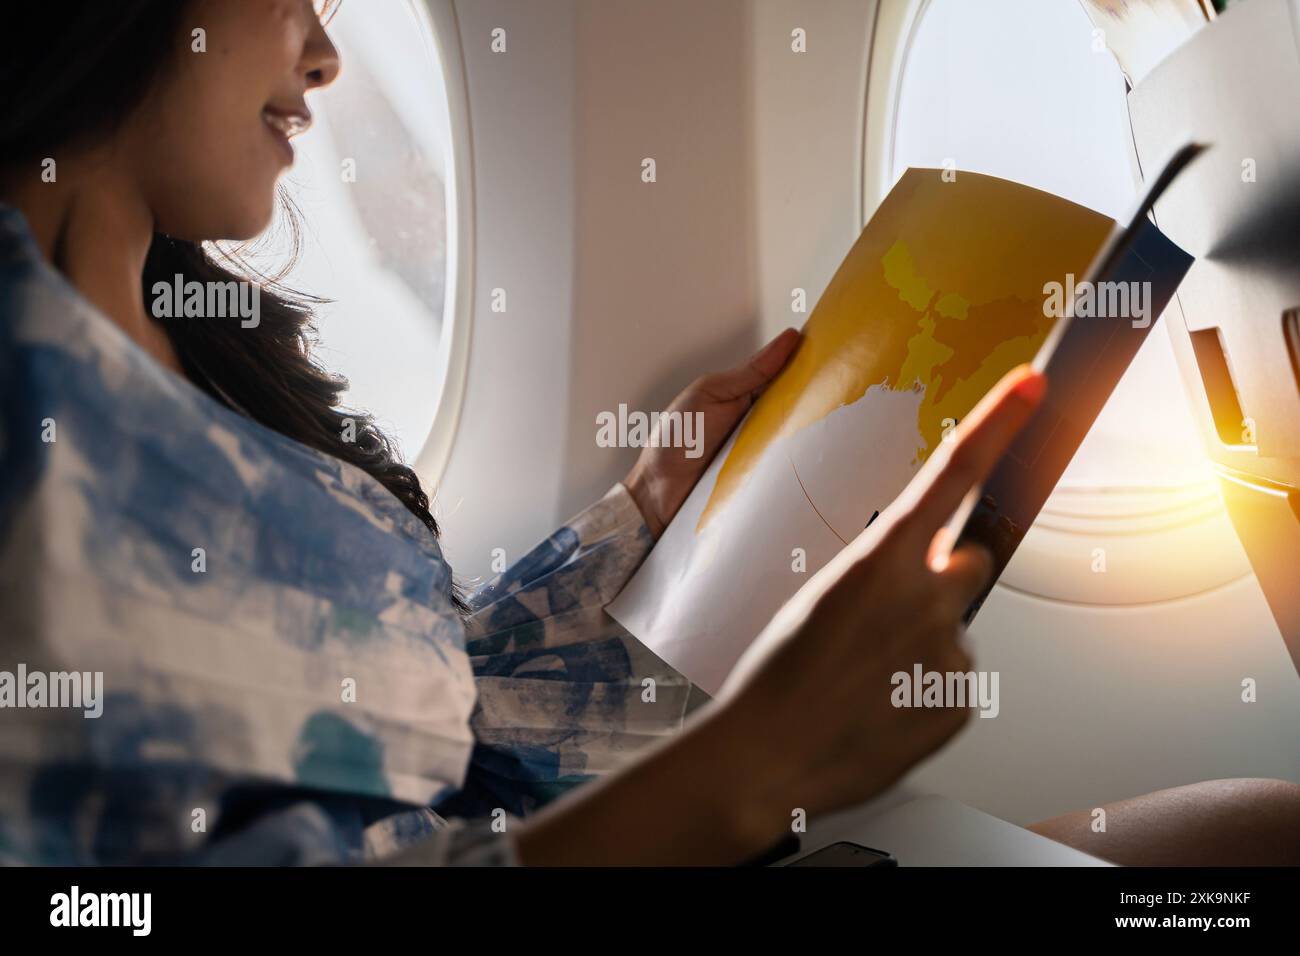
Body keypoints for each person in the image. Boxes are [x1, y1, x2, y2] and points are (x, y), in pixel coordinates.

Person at [0, 0, 1295, 867]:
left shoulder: (200, 366)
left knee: (1254, 825)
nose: (327, 54)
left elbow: (421, 716)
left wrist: (651, 513)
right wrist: (759, 757)